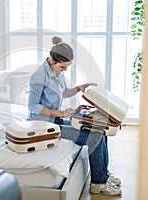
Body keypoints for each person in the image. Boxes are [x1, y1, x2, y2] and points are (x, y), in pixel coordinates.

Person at [27, 36, 122, 196]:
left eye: (67, 67)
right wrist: (62, 113)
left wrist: (79, 88)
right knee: (94, 137)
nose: (65, 70)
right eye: (63, 67)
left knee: (100, 130)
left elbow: (64, 92)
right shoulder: (38, 76)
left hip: (54, 120)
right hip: (42, 125)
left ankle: (103, 174)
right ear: (52, 60)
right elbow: (33, 107)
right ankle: (98, 184)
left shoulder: (57, 72)